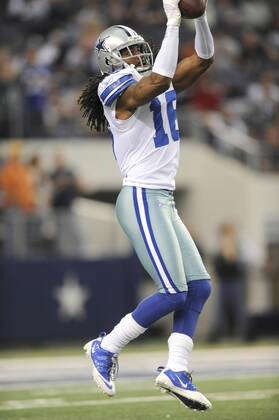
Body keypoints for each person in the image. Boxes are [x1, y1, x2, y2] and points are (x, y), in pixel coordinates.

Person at [78, 0, 214, 411]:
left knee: (199, 287)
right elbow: (154, 83)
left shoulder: (158, 75)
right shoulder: (111, 88)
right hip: (140, 196)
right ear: (108, 61)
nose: (137, 55)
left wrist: (199, 17)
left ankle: (176, 368)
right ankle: (105, 346)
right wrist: (172, 23)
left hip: (162, 198)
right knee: (173, 290)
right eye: (127, 52)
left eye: (139, 49)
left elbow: (204, 59)